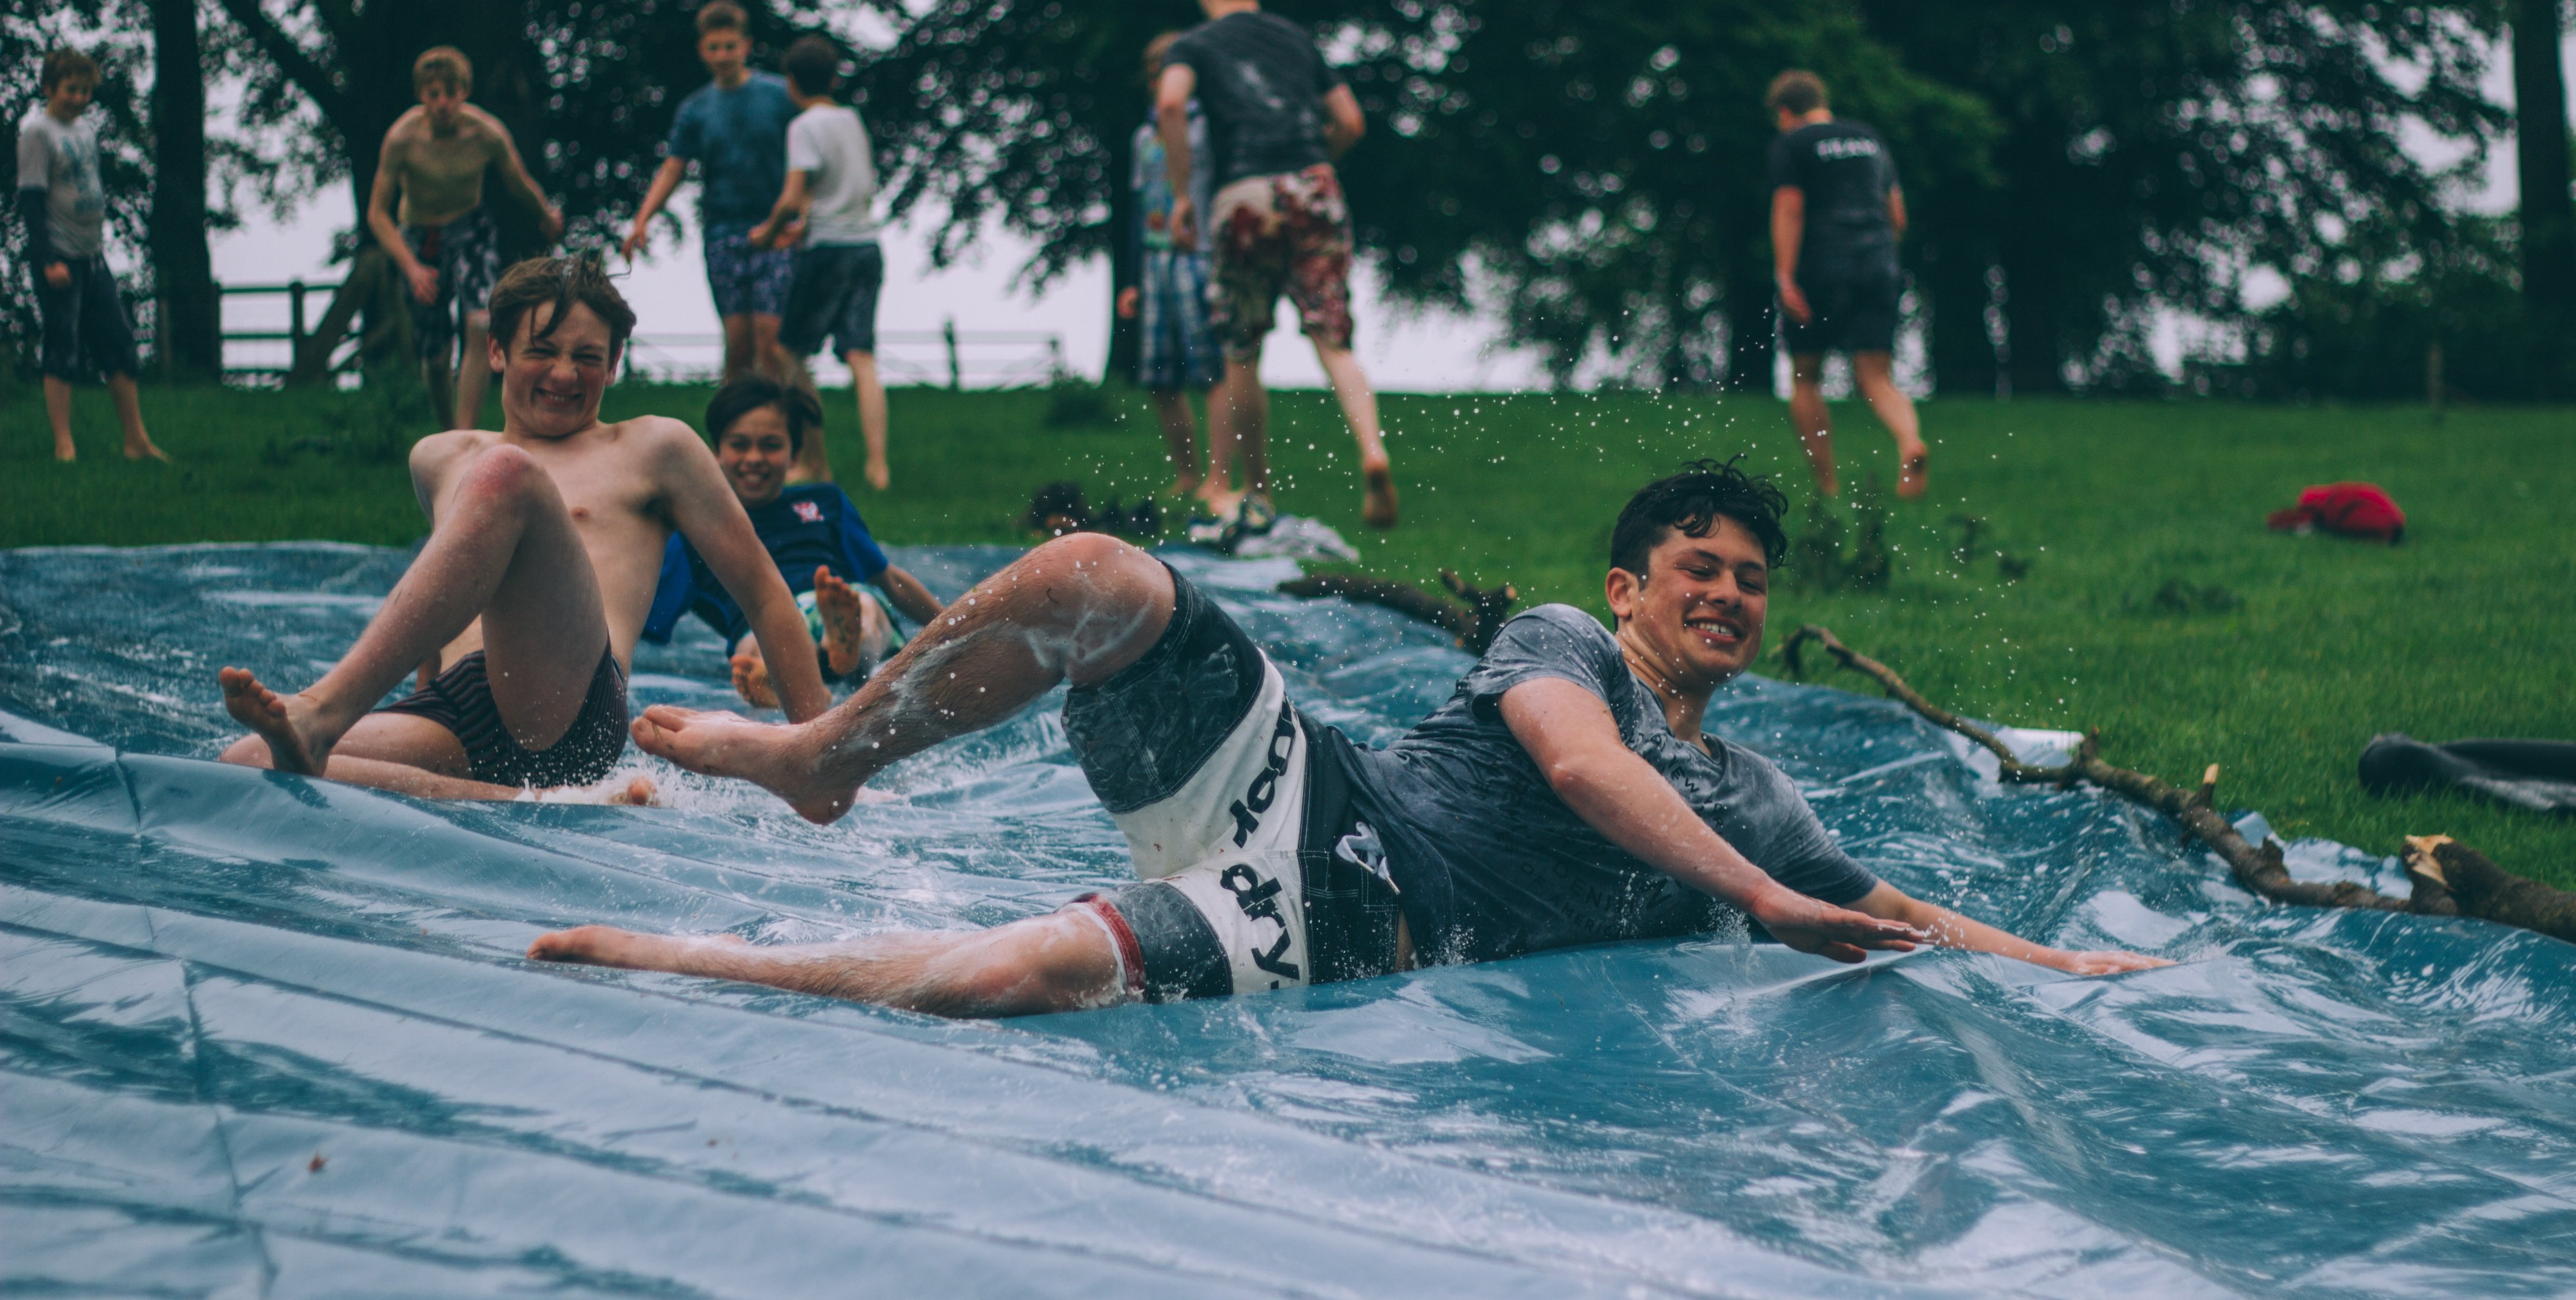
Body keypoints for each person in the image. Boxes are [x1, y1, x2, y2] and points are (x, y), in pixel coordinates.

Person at [532, 460, 2169, 1015]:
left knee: (1004, 983)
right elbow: (1581, 769)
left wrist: (2048, 965)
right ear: (1628, 586)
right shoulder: (1562, 642)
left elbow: (1884, 907)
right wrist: (1758, 899)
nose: (1728, 601)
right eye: (1698, 573)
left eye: (1750, 583)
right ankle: (830, 750)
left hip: (1369, 916)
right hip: (1315, 788)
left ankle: (689, 963)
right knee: (1100, 574)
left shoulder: (1756, 791)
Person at [216, 257, 831, 801]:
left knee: (507, 474)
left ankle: (322, 711)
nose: (565, 374)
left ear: (614, 364)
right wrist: (418, 696)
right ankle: (530, 801)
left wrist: (821, 757)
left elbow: (764, 593)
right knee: (244, 763)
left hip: (568, 708)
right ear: (497, 351)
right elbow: (448, 592)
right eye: (542, 350)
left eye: (587, 357)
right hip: (457, 710)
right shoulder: (439, 458)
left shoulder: (654, 448)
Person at [1158, 0, 1397, 530]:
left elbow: (1171, 105)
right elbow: (1350, 122)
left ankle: (1259, 492)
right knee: (1332, 338)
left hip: (1244, 192)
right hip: (1312, 182)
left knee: (1242, 351)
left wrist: (1180, 196)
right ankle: (1372, 452)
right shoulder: (1294, 38)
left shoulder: (1194, 45)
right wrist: (1312, 171)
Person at [642, 376, 944, 709]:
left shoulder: (825, 502)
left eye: (771, 445)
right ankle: (803, 674)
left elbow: (887, 579)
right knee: (756, 645)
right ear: (716, 452)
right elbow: (643, 606)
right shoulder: (696, 532)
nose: (754, 458)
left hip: (835, 602)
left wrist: (949, 624)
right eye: (740, 444)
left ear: (795, 455)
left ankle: (830, 657)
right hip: (765, 626)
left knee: (865, 609)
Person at [367, 46, 566, 432]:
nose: (443, 103)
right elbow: (377, 214)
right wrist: (411, 269)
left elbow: (517, 181)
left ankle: (466, 432)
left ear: (465, 91)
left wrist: (545, 213)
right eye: (433, 94)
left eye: (451, 93)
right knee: (436, 353)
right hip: (420, 239)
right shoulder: (402, 139)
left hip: (470, 228)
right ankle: (448, 434)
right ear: (421, 95)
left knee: (479, 322)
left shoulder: (486, 134)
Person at [1765, 70, 1928, 500]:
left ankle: (1828, 486)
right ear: (1821, 101)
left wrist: (1785, 275)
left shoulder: (1792, 144)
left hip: (1822, 264)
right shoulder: (1868, 138)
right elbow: (1898, 216)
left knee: (1806, 377)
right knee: (1877, 376)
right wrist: (1879, 259)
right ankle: (1910, 441)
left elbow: (1790, 208)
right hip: (1878, 262)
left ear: (1784, 113)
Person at [621, 1, 799, 388]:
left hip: (776, 228)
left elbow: (809, 155)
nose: (722, 56)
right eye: (715, 48)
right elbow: (674, 167)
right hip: (723, 231)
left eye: (730, 47)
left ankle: (788, 433)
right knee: (738, 345)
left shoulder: (780, 96)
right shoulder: (696, 110)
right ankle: (727, 439)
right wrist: (643, 218)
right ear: (703, 50)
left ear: (746, 46)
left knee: (772, 343)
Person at [752, 35, 886, 491]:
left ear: (791, 83)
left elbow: (793, 196)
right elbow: (845, 188)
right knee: (862, 357)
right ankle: (879, 468)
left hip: (828, 251)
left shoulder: (804, 126)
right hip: (867, 246)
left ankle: (814, 462)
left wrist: (767, 234)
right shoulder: (852, 119)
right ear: (834, 78)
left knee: (789, 352)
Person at [18, 48, 164, 465]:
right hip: (59, 258)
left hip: (92, 257)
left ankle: (136, 441)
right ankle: (64, 444)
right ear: (49, 88)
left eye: (85, 91)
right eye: (71, 90)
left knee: (118, 343)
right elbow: (30, 201)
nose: (80, 98)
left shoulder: (85, 131)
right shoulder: (37, 134)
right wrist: (48, 260)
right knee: (62, 346)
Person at [1115, 30, 1223, 501]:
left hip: (1199, 258)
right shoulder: (1144, 136)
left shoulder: (1210, 128)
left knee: (1213, 370)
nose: (1161, 72)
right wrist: (1132, 279)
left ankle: (1220, 477)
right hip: (1156, 260)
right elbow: (1141, 208)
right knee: (1159, 375)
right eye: (1155, 65)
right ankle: (1187, 474)